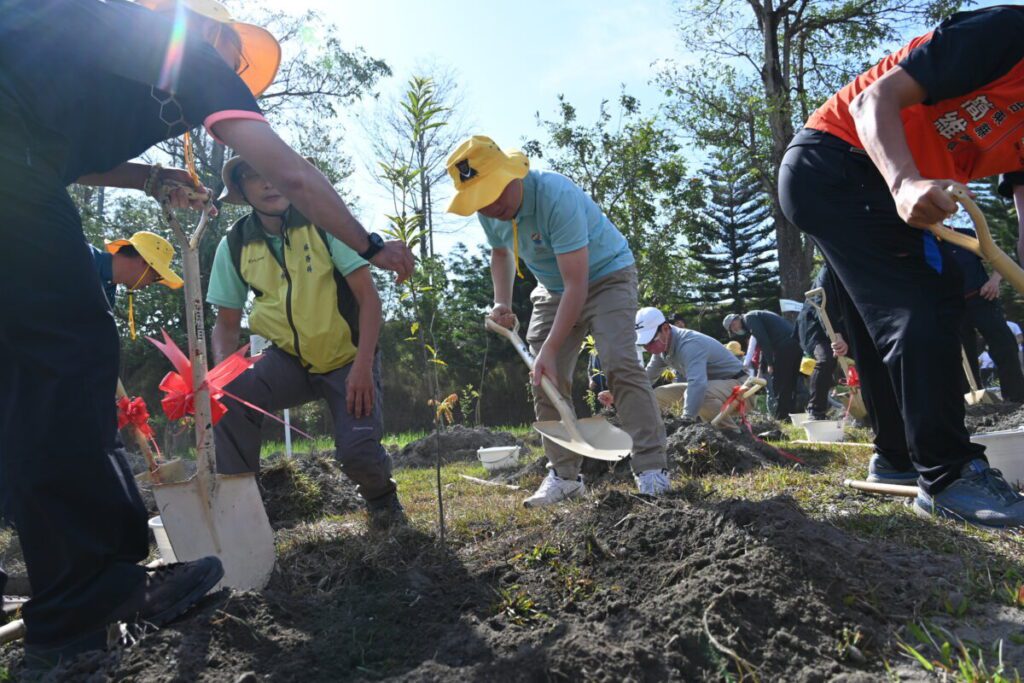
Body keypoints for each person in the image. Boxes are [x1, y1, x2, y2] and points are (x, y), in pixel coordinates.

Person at [0, 0, 413, 669]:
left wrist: (149, 176)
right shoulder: (191, 55)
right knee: (69, 348)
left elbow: (53, 155)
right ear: (213, 35)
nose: (239, 75)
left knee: (25, 371)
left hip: (19, 159)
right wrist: (370, 241)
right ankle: (89, 588)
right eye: (240, 61)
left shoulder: (91, 50)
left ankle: (65, 611)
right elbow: (294, 174)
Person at [777, 5, 1024, 526]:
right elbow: (875, 100)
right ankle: (950, 475)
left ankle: (898, 460)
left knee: (877, 324)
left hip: (845, 177)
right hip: (842, 159)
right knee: (927, 299)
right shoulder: (1008, 32)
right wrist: (904, 182)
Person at [445, 135, 669, 506]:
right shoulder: (491, 210)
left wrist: (549, 348)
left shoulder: (554, 196)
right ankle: (565, 476)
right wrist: (501, 302)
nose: (490, 208)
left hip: (605, 276)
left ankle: (651, 468)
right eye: (479, 201)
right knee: (544, 378)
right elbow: (500, 254)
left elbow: (577, 285)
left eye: (493, 195)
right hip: (552, 287)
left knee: (619, 362)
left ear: (509, 175)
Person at [209, 156, 404, 528]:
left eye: (273, 173)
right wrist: (221, 377)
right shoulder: (234, 244)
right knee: (231, 395)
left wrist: (363, 367)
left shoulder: (325, 223)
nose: (268, 184)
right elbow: (226, 323)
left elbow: (368, 298)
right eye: (254, 177)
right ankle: (243, 510)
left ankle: (382, 499)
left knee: (357, 453)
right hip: (288, 360)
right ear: (243, 190)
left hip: (347, 359)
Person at [602, 307, 747, 431]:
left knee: (699, 392)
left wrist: (686, 419)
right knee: (658, 395)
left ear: (665, 328)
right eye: (643, 344)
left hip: (741, 387)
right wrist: (618, 393)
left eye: (650, 341)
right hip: (715, 389)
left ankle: (731, 434)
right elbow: (646, 378)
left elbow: (697, 384)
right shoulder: (662, 349)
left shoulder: (690, 344)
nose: (647, 348)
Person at [945, 225, 1024, 402]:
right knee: (963, 355)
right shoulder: (924, 242)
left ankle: (1016, 398)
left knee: (1005, 344)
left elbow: (1000, 259)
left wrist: (995, 281)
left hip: (981, 297)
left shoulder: (965, 235)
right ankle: (975, 401)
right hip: (951, 306)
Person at [91, 231, 184, 336]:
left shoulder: (108, 296)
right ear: (144, 261)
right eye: (155, 277)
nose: (150, 283)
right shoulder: (81, 255)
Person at [723, 310, 801, 420]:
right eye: (731, 329)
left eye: (733, 325)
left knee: (780, 384)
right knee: (790, 383)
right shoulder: (756, 316)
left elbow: (764, 342)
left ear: (737, 318)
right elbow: (763, 344)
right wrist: (761, 368)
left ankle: (782, 417)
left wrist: (770, 363)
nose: (734, 329)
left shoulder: (750, 318)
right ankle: (793, 416)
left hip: (785, 346)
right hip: (795, 344)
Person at [797, 264, 851, 420]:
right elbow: (820, 301)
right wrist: (836, 335)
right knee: (826, 358)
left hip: (842, 326)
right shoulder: (829, 269)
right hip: (815, 326)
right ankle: (815, 410)